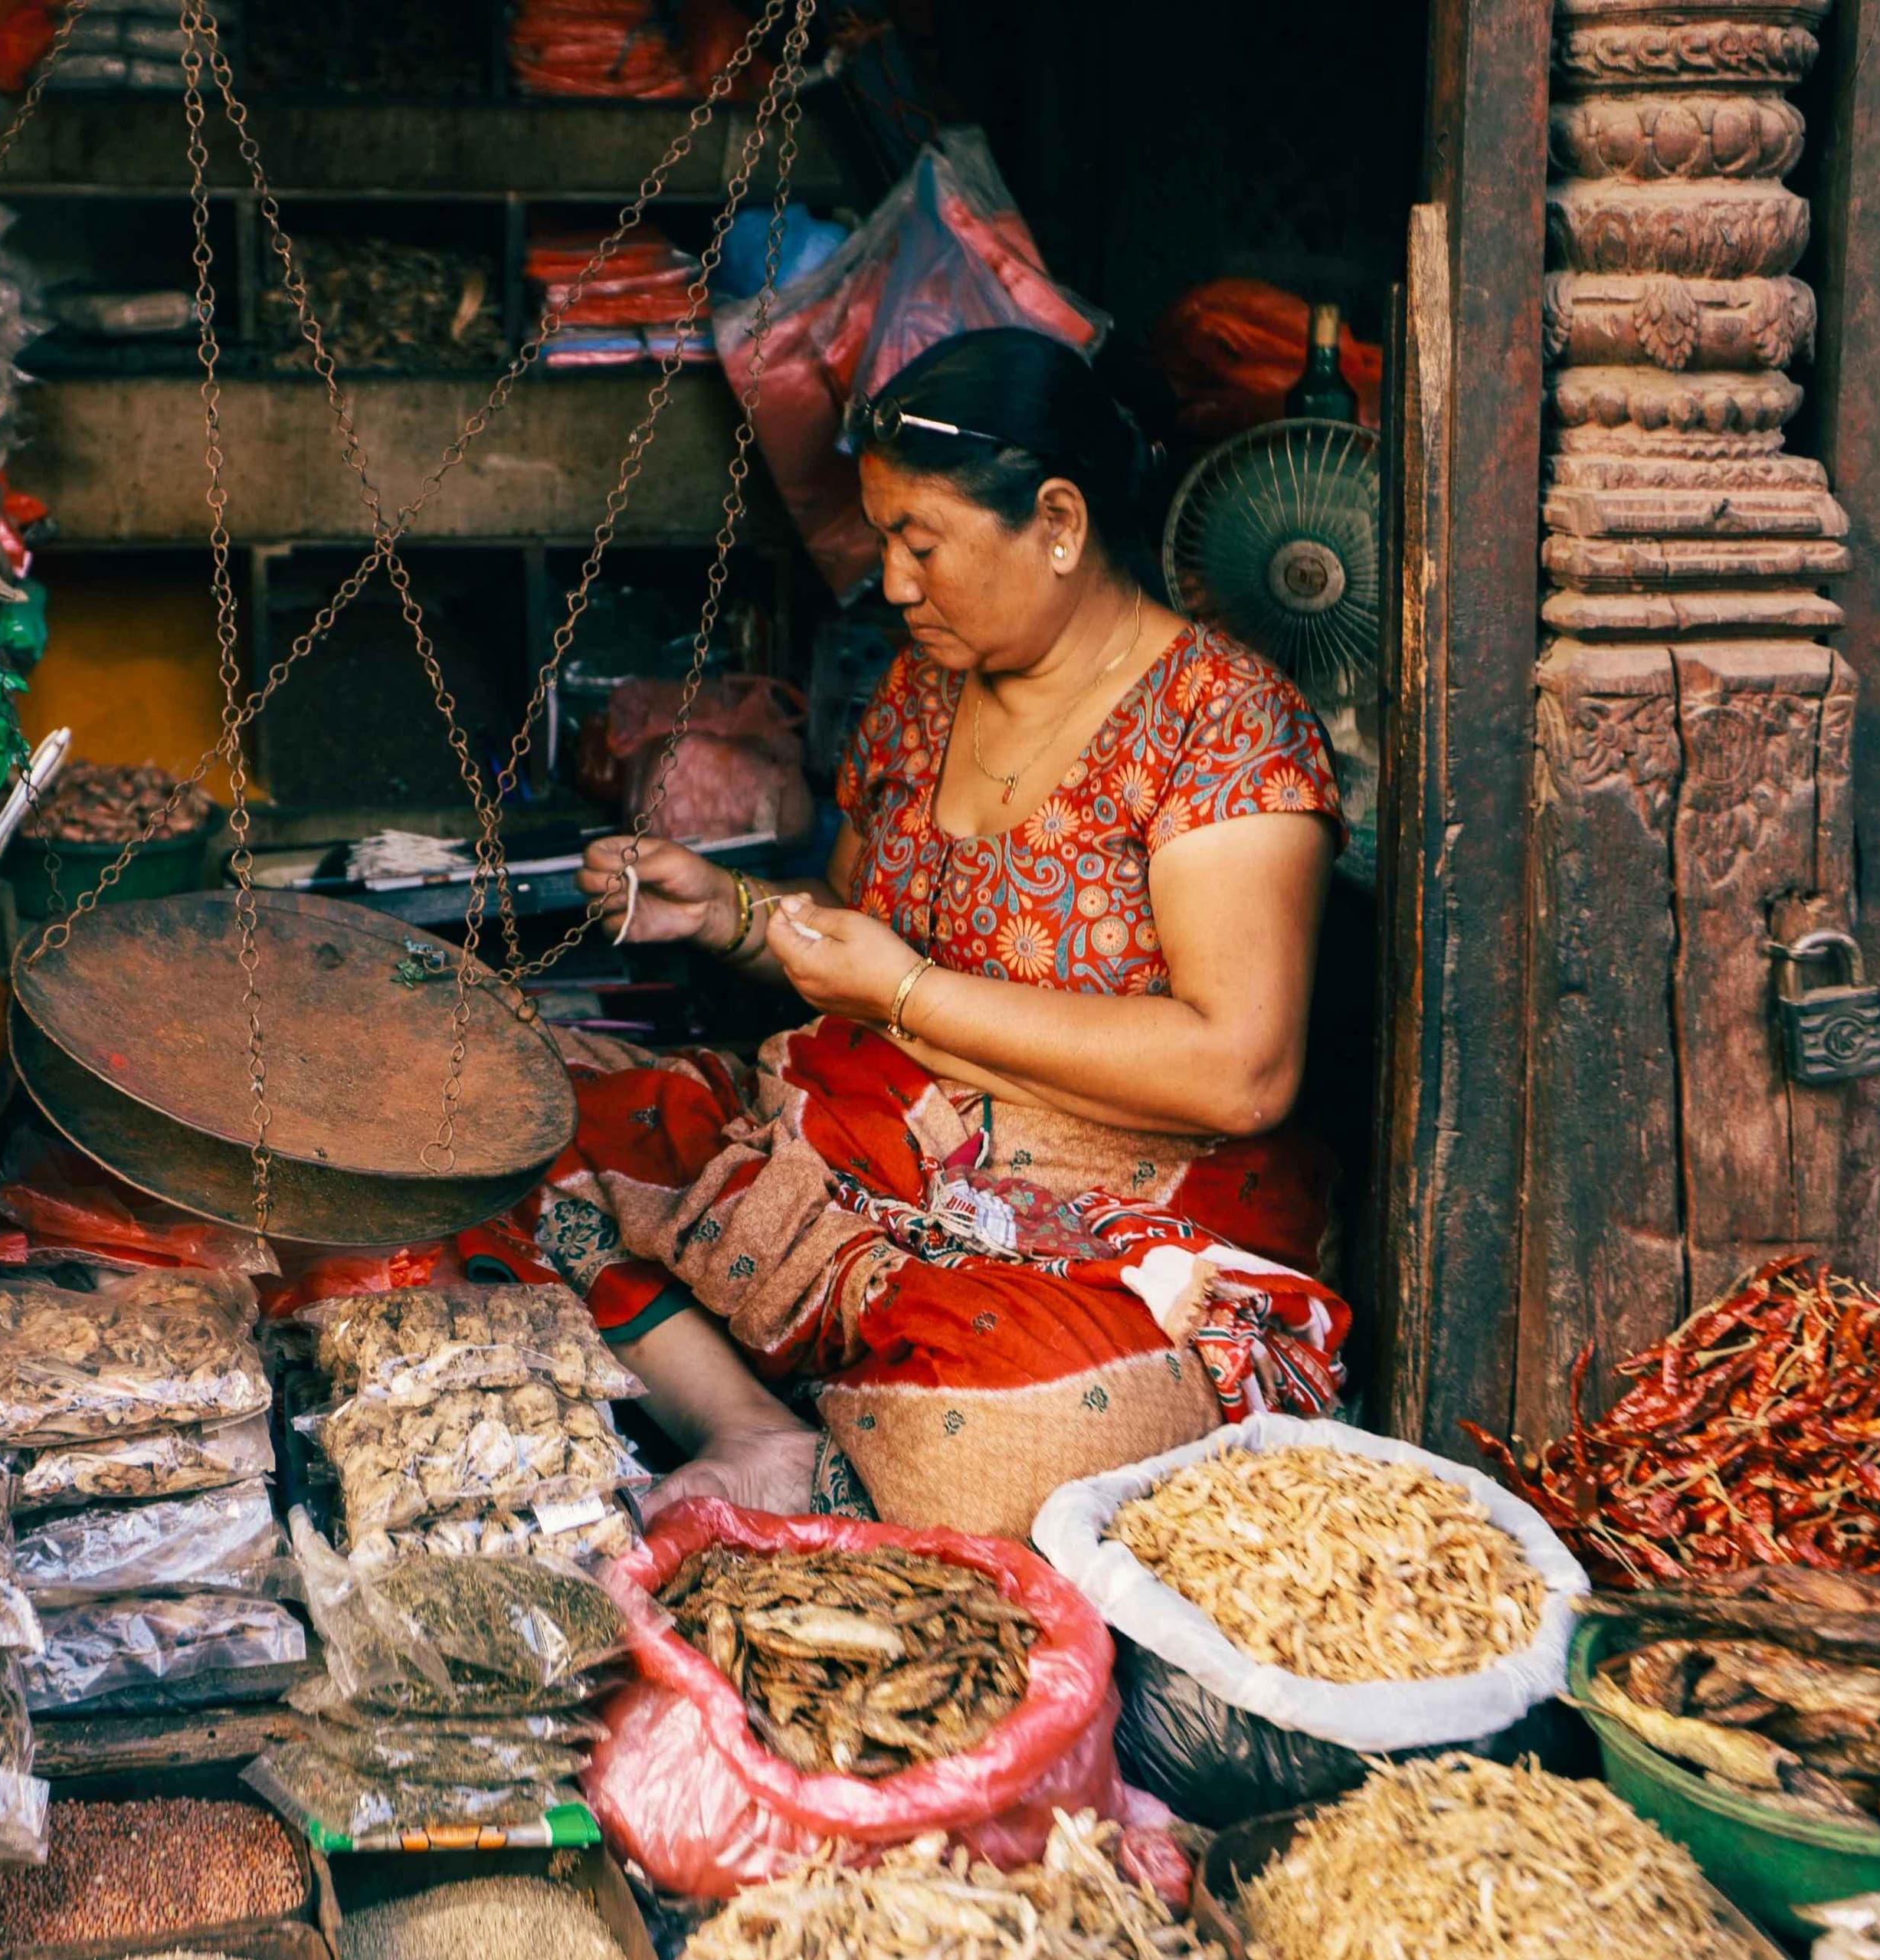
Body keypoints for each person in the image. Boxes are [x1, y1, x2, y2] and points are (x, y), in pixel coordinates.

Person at [541, 328, 1351, 1537]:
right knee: (515, 1117)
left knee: (1006, 1425)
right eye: (885, 539)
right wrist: (734, 913)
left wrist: (914, 994)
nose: (896, 582)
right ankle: (754, 1430)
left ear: (1061, 524)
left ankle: (860, 1432)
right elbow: (855, 956)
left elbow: (1243, 1069)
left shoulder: (1221, 724)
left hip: (1100, 1203)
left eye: (923, 542)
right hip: (867, 1140)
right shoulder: (925, 690)